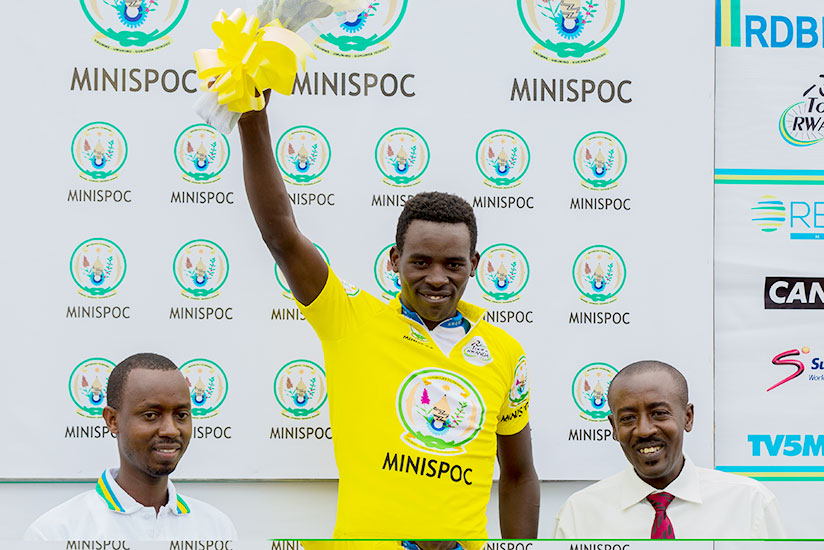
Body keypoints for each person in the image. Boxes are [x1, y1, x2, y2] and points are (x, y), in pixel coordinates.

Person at [238, 95, 539, 544]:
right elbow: (281, 235)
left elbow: (518, 475)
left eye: (453, 264)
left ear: (474, 264)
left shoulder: (504, 351)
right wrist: (252, 116)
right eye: (420, 262)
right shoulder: (351, 318)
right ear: (395, 260)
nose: (437, 278)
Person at [553, 360, 785, 539]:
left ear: (688, 417)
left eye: (659, 414)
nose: (644, 430)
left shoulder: (749, 503)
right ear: (613, 427)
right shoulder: (579, 514)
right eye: (628, 418)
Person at [25, 353, 237, 541]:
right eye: (151, 415)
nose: (170, 430)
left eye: (181, 415)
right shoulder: (56, 534)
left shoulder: (217, 529)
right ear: (112, 420)